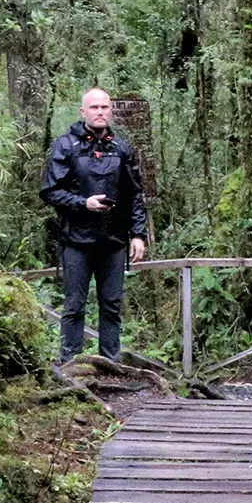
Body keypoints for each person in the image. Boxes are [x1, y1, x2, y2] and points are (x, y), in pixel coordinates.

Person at [40, 88, 149, 366]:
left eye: (104, 108)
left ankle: (110, 364)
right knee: (74, 305)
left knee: (111, 306)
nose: (100, 112)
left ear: (111, 111)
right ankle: (69, 367)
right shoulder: (65, 146)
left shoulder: (121, 148)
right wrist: (82, 203)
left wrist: (138, 234)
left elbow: (134, 194)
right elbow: (50, 191)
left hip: (113, 241)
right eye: (94, 108)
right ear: (83, 112)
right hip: (76, 241)